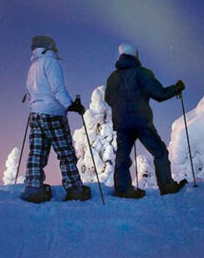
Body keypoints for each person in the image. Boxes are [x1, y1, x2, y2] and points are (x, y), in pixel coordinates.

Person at [104, 42, 186, 199]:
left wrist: (121, 108)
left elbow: (108, 99)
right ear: (135, 55)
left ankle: (123, 189)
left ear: (121, 56)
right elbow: (159, 94)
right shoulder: (142, 73)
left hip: (122, 124)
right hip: (142, 122)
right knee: (160, 151)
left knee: (122, 156)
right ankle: (167, 187)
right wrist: (176, 88)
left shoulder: (113, 77)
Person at [22, 35, 91, 203]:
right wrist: (71, 105)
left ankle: (34, 188)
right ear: (48, 47)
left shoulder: (33, 66)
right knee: (65, 151)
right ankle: (74, 188)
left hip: (36, 114)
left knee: (37, 152)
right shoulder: (51, 62)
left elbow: (30, 92)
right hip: (53, 113)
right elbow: (58, 89)